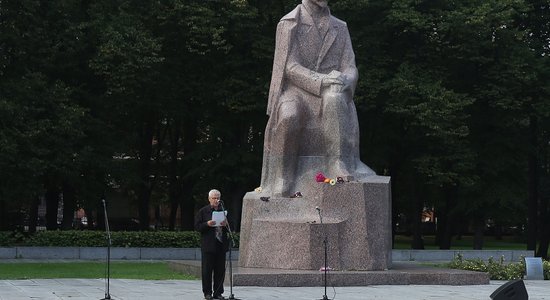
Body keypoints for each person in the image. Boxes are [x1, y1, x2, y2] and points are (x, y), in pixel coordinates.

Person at [260, 0, 375, 197]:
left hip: (331, 89)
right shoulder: (288, 23)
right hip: (297, 91)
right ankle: (283, 176)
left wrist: (346, 79)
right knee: (288, 116)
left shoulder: (340, 27)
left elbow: (350, 66)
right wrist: (322, 80)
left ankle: (337, 162)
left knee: (334, 98)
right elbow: (289, 66)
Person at [194, 189, 229, 300]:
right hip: (208, 245)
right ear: (209, 199)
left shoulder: (223, 210)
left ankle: (218, 292)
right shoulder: (203, 211)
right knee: (207, 271)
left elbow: (232, 225)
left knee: (220, 271)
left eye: (218, 198)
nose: (216, 200)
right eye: (214, 198)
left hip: (221, 245)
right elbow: (197, 227)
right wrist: (207, 224)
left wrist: (226, 224)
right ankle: (207, 293)